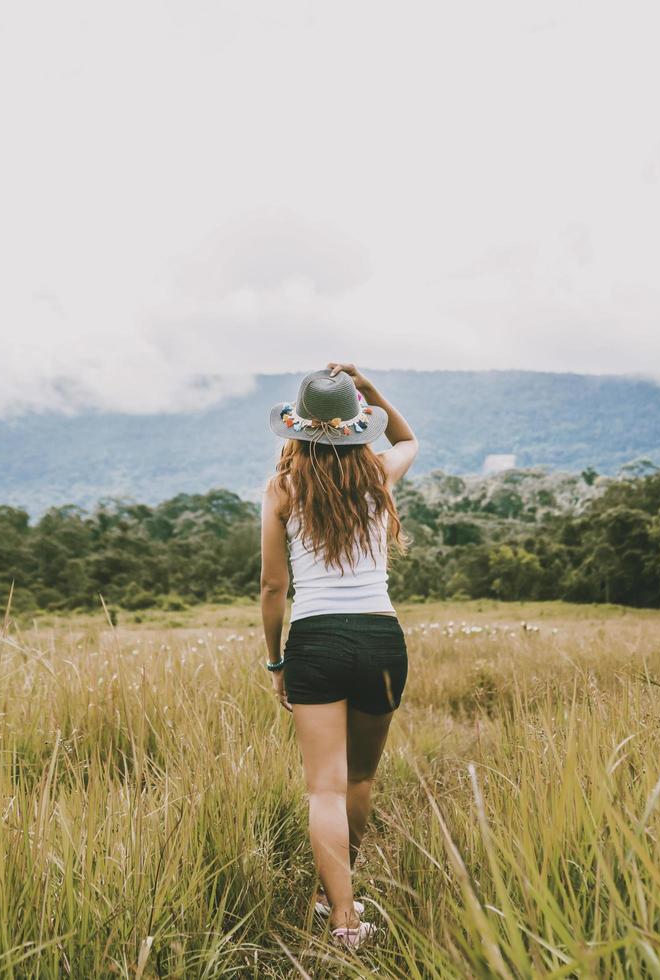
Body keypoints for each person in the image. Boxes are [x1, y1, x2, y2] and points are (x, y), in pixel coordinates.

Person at [260, 362, 419, 951]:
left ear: (299, 429)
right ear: (357, 425)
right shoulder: (379, 475)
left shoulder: (282, 489)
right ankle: (335, 896)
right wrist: (371, 391)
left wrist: (276, 662)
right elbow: (408, 439)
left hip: (315, 642)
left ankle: (342, 917)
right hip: (381, 638)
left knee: (323, 788)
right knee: (360, 779)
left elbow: (274, 589)